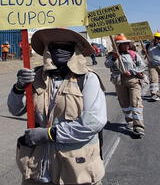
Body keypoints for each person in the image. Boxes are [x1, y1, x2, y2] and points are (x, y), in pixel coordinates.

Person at [8, 28, 107, 184]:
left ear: (74, 51)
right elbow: (15, 109)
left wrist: (50, 134)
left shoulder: (88, 79)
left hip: (75, 168)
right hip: (39, 167)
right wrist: (19, 87)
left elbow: (93, 122)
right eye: (55, 47)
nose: (60, 51)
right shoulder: (36, 77)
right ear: (49, 50)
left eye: (66, 47)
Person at [105, 34, 147, 137]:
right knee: (125, 104)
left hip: (133, 81)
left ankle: (138, 127)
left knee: (135, 103)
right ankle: (130, 122)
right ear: (118, 45)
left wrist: (132, 71)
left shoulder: (133, 54)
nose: (127, 45)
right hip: (119, 82)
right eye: (124, 44)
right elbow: (107, 65)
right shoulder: (112, 55)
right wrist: (114, 58)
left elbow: (142, 65)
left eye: (128, 43)